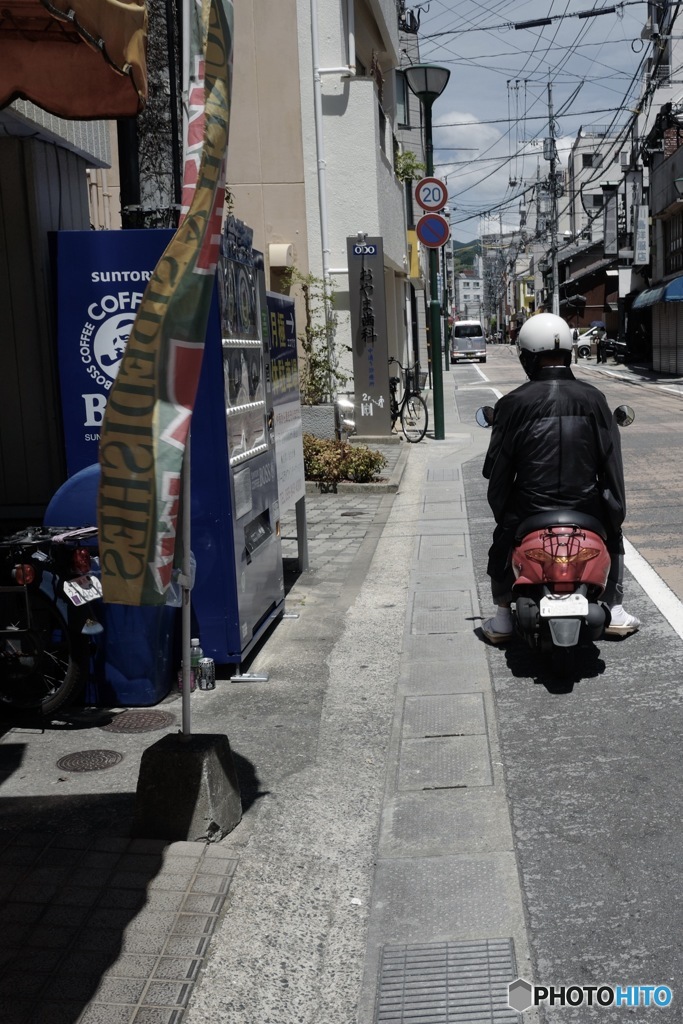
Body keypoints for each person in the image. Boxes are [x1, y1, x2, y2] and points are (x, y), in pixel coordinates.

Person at [480, 312, 640, 643]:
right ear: (568, 353)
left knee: (501, 542)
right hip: (586, 506)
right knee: (614, 536)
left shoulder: (511, 404)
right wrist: (614, 515)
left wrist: (503, 513)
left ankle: (502, 618)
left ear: (526, 357)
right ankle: (617, 609)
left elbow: (495, 471)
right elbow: (611, 468)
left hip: (528, 508)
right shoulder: (594, 399)